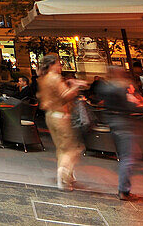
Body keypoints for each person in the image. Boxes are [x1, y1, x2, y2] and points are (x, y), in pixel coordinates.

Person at [38, 54, 87, 191]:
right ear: (52, 65)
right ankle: (64, 175)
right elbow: (65, 95)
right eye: (59, 64)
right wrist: (76, 86)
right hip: (60, 116)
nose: (61, 66)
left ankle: (67, 174)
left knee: (61, 148)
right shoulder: (55, 78)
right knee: (72, 148)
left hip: (50, 115)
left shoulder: (44, 78)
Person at [100, 66, 143, 200]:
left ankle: (125, 188)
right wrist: (137, 104)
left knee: (131, 155)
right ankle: (124, 190)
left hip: (114, 123)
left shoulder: (106, 87)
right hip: (123, 123)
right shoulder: (120, 88)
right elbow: (128, 106)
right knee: (128, 157)